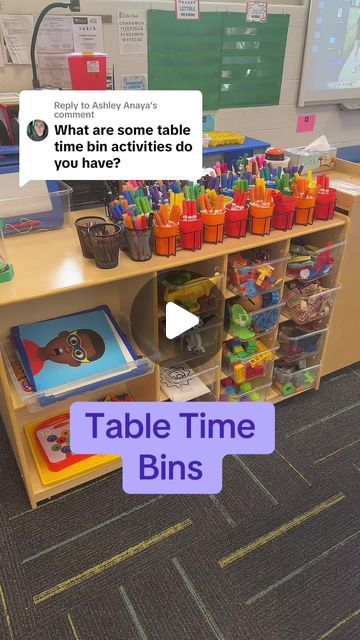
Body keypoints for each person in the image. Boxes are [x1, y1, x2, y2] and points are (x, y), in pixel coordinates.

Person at [22, 329, 105, 375]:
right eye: (73, 340)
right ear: (64, 334)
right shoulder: (24, 342)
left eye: (78, 354)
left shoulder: (34, 373)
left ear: (74, 363)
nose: (67, 349)